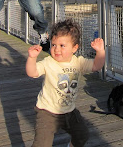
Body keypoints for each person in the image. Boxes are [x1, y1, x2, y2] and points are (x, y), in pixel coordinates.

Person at [26, 19, 105, 147]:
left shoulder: (78, 62)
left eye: (62, 46)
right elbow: (32, 72)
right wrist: (32, 58)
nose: (56, 49)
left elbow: (96, 65)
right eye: (54, 45)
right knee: (42, 143)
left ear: (74, 48)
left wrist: (100, 52)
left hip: (69, 110)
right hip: (47, 112)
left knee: (82, 134)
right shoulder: (48, 62)